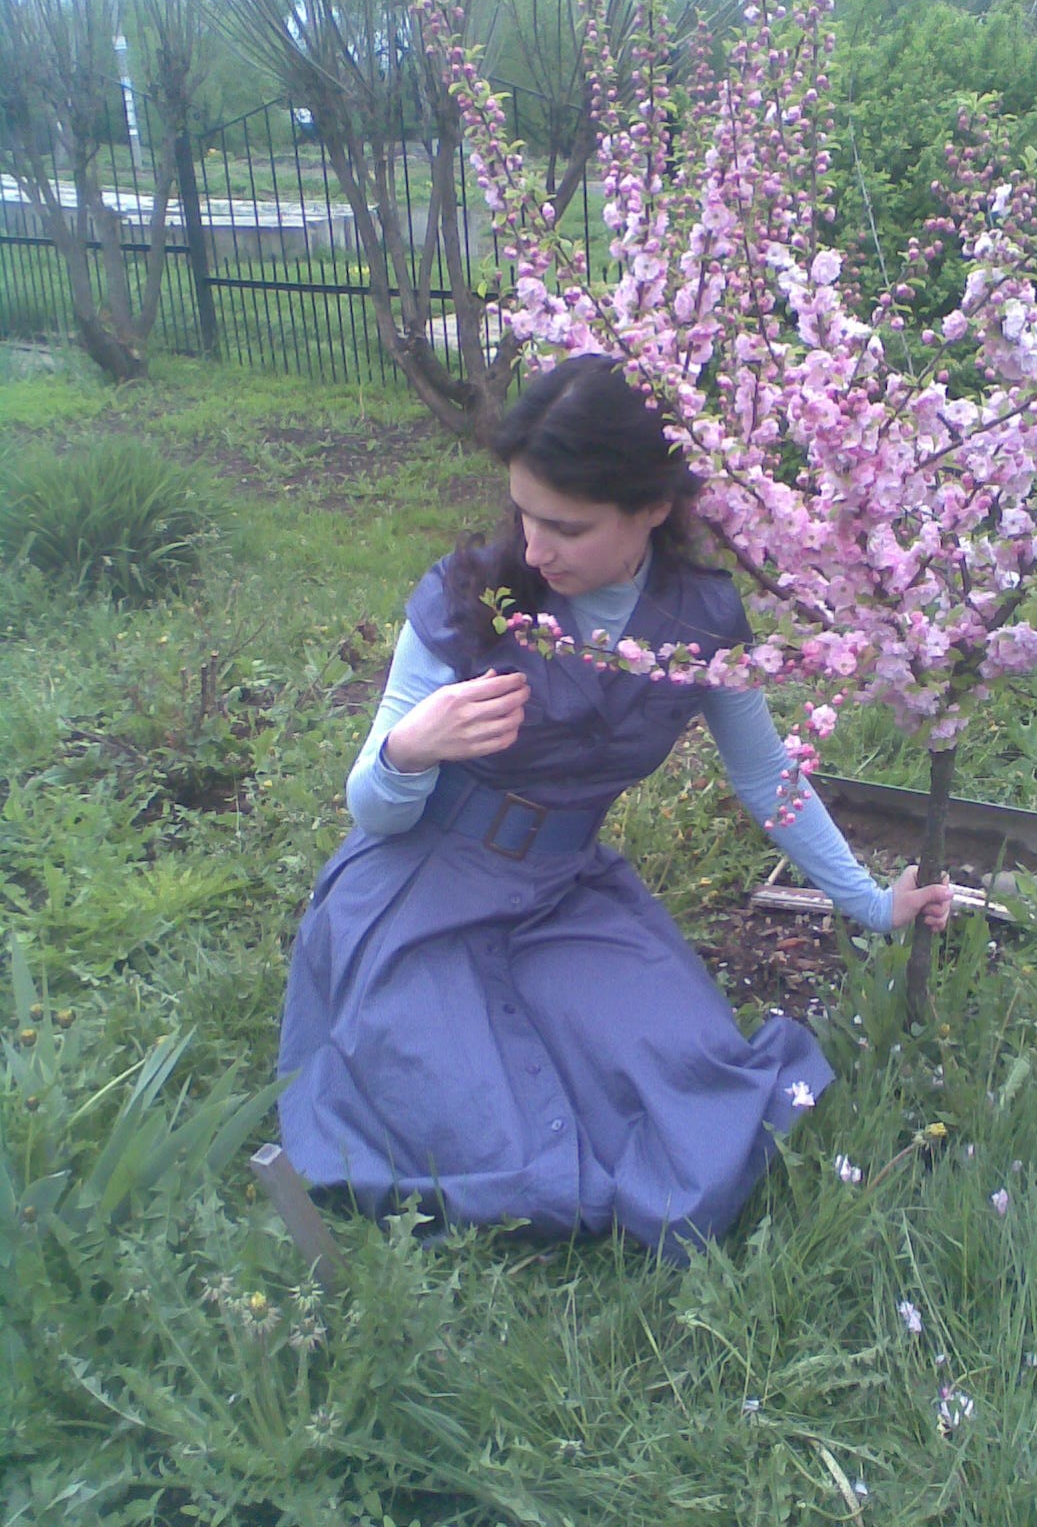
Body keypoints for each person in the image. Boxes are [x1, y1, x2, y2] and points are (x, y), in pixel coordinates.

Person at [278, 355, 953, 1260]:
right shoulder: (474, 597)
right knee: (480, 1141)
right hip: (420, 890)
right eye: (523, 512)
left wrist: (870, 902)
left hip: (560, 893)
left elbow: (767, 778)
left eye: (567, 525)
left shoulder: (699, 622)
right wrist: (409, 750)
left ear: (653, 507)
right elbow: (377, 813)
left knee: (690, 1080)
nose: (535, 547)